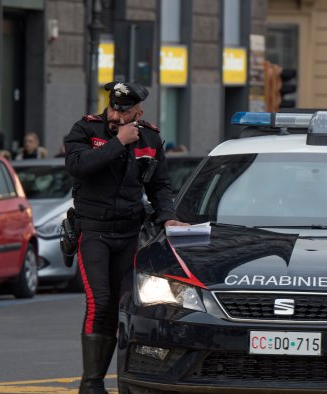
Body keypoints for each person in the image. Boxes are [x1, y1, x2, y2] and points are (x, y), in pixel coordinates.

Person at [64, 81, 188, 393]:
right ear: (119, 110)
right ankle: (91, 384)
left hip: (130, 233)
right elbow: (78, 166)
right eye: (135, 110)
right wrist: (118, 142)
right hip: (94, 231)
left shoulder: (149, 136)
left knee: (129, 306)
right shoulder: (85, 130)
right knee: (100, 302)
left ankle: (130, 378)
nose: (140, 114)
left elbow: (160, 185)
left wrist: (168, 215)